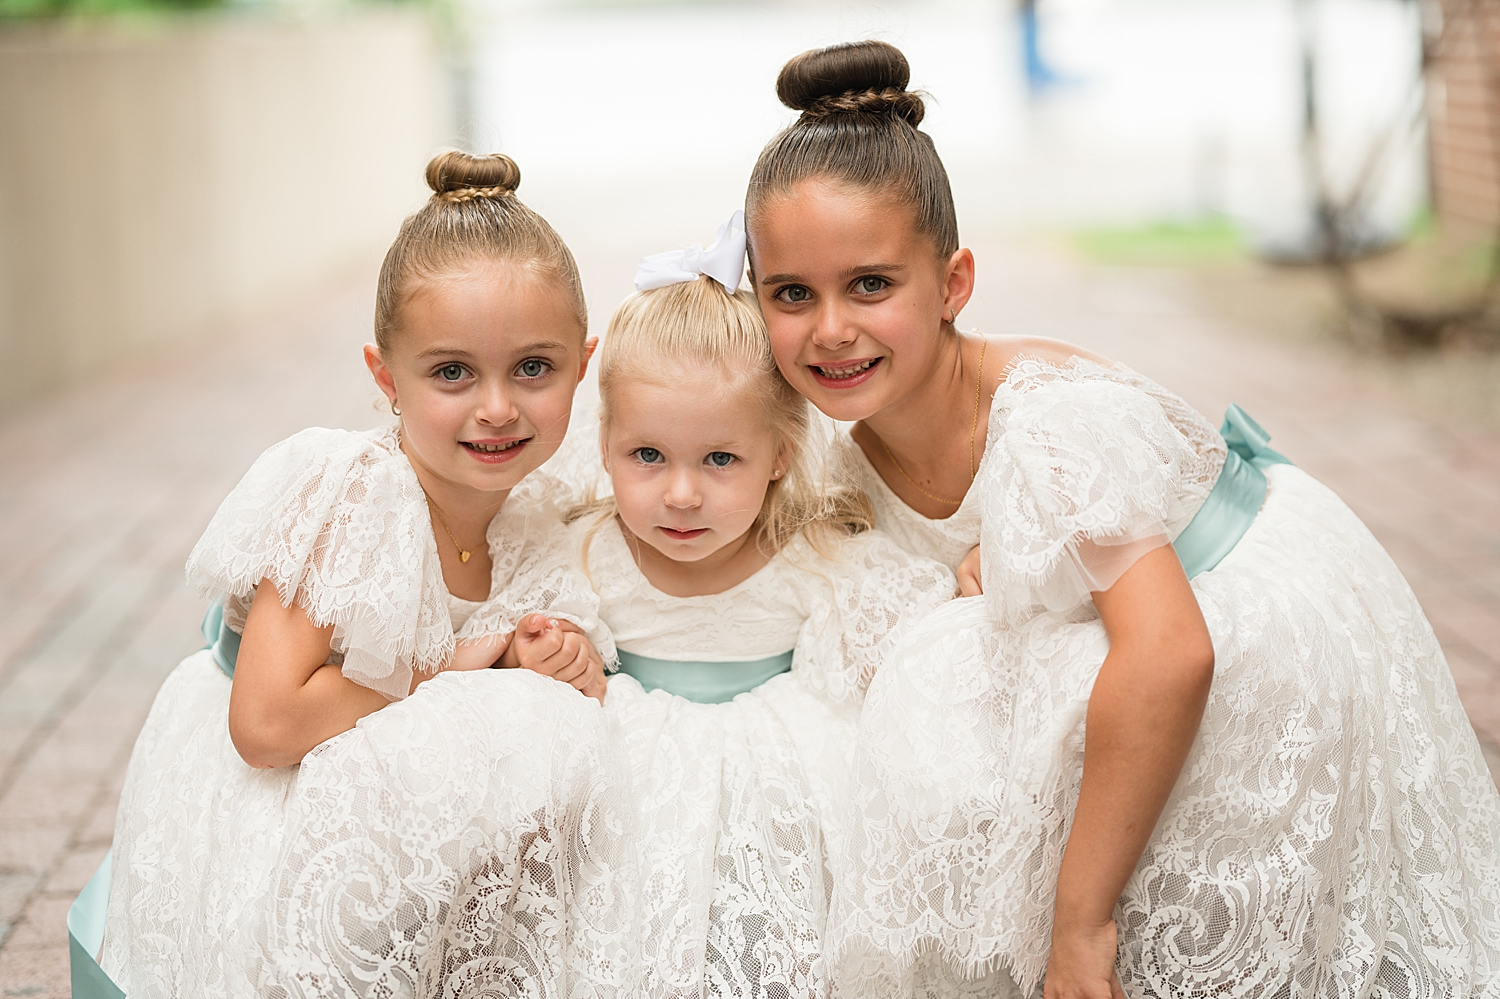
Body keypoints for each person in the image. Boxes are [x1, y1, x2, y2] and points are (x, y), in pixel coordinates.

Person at [744, 39, 1500, 999]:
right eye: (792, 295)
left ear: (954, 284)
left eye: (872, 285)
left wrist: (1081, 923)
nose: (831, 329)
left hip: (1240, 622)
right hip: (1145, 628)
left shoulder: (1047, 427)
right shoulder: (847, 462)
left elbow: (1173, 652)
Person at [98, 151, 632, 998]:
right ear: (385, 375)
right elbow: (266, 723)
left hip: (410, 798)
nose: (497, 406)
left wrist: (554, 660)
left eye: (533, 367)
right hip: (291, 798)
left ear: (581, 362)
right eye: (452, 372)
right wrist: (460, 666)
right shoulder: (354, 497)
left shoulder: (542, 510)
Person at [566, 218, 955, 997]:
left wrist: (971, 592)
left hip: (780, 797)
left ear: (779, 454)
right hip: (633, 798)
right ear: (606, 443)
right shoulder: (586, 553)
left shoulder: (811, 554)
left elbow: (913, 635)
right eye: (647, 456)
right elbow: (528, 628)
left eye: (720, 459)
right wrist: (553, 652)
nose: (680, 493)